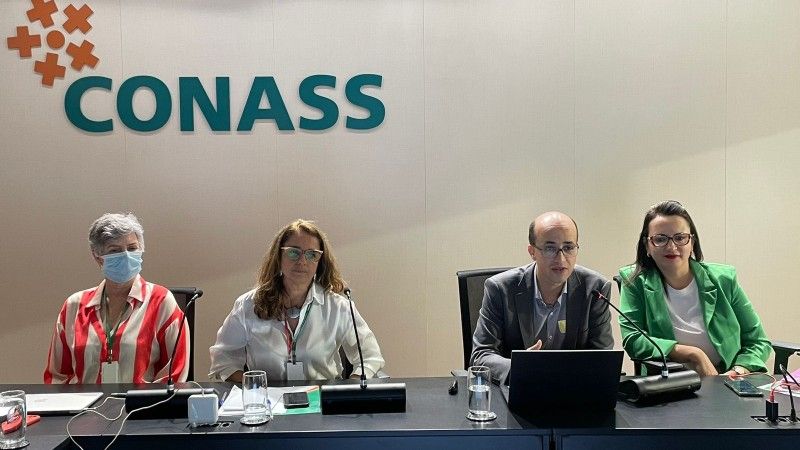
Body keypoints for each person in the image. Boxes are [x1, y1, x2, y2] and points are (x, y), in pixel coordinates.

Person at [209, 219, 385, 382]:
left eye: (312, 254)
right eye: (293, 252)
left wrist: (348, 391)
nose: (302, 261)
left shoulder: (339, 307)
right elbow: (223, 359)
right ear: (279, 256)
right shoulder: (248, 305)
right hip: (268, 401)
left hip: (322, 400)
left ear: (320, 262)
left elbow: (370, 357)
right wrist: (256, 388)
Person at [619, 200, 771, 376]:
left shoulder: (724, 279)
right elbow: (633, 340)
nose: (671, 246)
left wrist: (736, 371)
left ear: (692, 242)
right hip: (671, 384)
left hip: (728, 379)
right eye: (660, 239)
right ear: (647, 245)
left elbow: (758, 342)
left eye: (680, 238)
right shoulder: (634, 282)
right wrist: (694, 354)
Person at [44, 213, 189, 384]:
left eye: (132, 248)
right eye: (115, 251)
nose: (126, 256)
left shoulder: (162, 301)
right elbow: (57, 377)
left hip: (142, 401)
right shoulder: (73, 306)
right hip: (84, 402)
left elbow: (174, 376)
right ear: (98, 257)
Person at [471, 211, 613, 384]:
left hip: (573, 389)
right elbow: (481, 355)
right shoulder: (500, 288)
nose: (561, 259)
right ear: (532, 252)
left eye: (568, 248)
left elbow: (603, 356)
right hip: (519, 388)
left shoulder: (595, 289)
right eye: (550, 248)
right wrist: (521, 366)